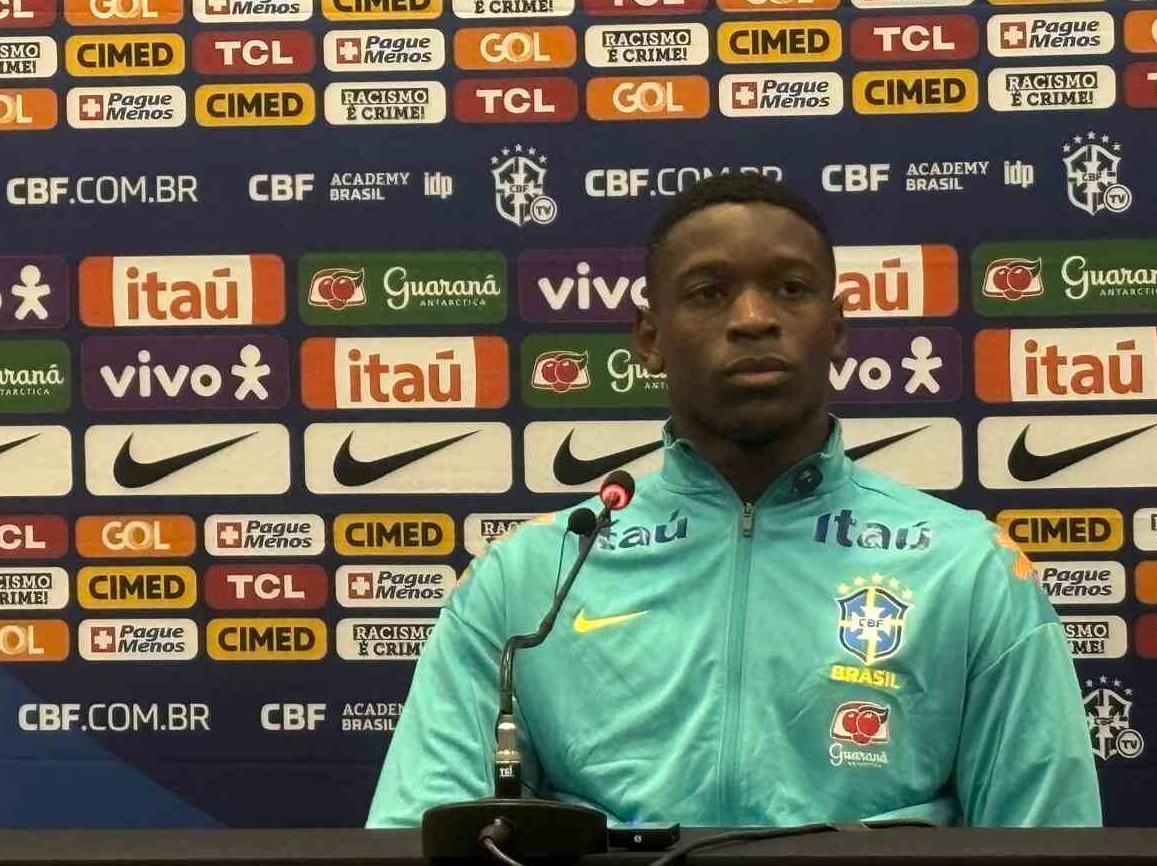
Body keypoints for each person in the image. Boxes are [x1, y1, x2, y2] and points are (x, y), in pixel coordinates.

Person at [366, 174, 1102, 829]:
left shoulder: (967, 568)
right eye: (708, 292)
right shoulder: (530, 577)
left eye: (790, 288)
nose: (753, 318)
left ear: (836, 327)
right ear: (650, 338)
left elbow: (1048, 857)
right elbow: (420, 845)